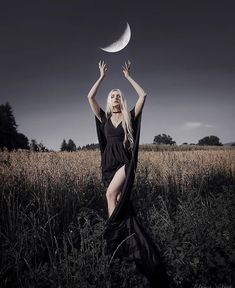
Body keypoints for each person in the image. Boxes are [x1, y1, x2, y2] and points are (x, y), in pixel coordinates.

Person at [87, 60, 146, 218]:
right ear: (109, 101)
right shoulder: (104, 118)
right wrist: (101, 77)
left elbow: (143, 95)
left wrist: (128, 77)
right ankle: (127, 231)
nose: (115, 98)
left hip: (124, 162)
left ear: (122, 100)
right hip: (108, 163)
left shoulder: (129, 117)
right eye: (112, 96)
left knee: (110, 195)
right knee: (119, 198)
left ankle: (112, 232)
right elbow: (90, 97)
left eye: (118, 96)